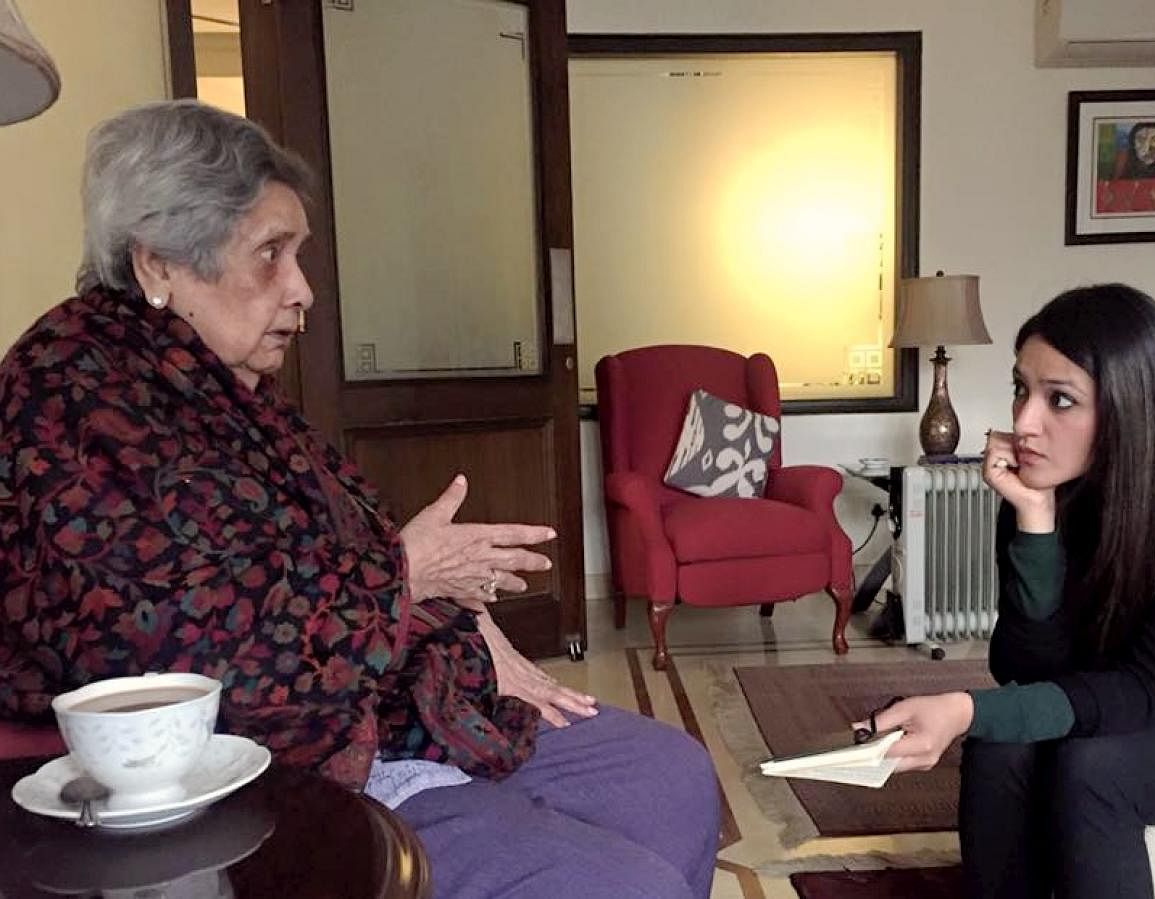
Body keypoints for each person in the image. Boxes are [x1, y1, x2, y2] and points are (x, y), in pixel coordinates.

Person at [0, 100, 718, 899]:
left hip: (392, 702)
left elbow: (350, 552)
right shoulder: (69, 395)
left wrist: (466, 626)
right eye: (271, 253)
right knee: (617, 885)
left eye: (298, 254)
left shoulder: (221, 385)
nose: (302, 289)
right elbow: (166, 647)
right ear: (159, 264)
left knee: (670, 776)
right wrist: (407, 579)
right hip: (278, 767)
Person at [859, 284, 1155, 898]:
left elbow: (1145, 689)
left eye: (1060, 400)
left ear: (1128, 407)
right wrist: (1035, 525)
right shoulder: (1046, 484)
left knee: (1092, 768)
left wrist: (964, 709)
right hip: (1138, 710)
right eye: (1022, 388)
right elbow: (1024, 668)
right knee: (1000, 748)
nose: (1023, 423)